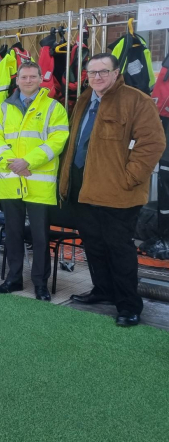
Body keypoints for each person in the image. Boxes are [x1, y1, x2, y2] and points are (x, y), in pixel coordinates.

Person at [60, 53, 166, 327]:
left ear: (116, 72)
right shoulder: (85, 99)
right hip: (82, 190)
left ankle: (129, 305)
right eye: (92, 72)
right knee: (94, 246)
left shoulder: (135, 100)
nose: (97, 77)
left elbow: (152, 143)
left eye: (103, 71)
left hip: (118, 193)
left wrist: (129, 178)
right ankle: (103, 291)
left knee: (119, 250)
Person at [0, 61, 69, 301]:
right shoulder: (3, 108)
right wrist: (10, 160)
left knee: (40, 237)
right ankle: (13, 279)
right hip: (11, 179)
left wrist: (28, 162)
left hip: (38, 182)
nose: (28, 80)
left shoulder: (54, 108)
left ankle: (40, 284)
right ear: (17, 80)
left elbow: (57, 140)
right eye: (24, 77)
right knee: (12, 234)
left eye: (32, 76)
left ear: (39, 79)